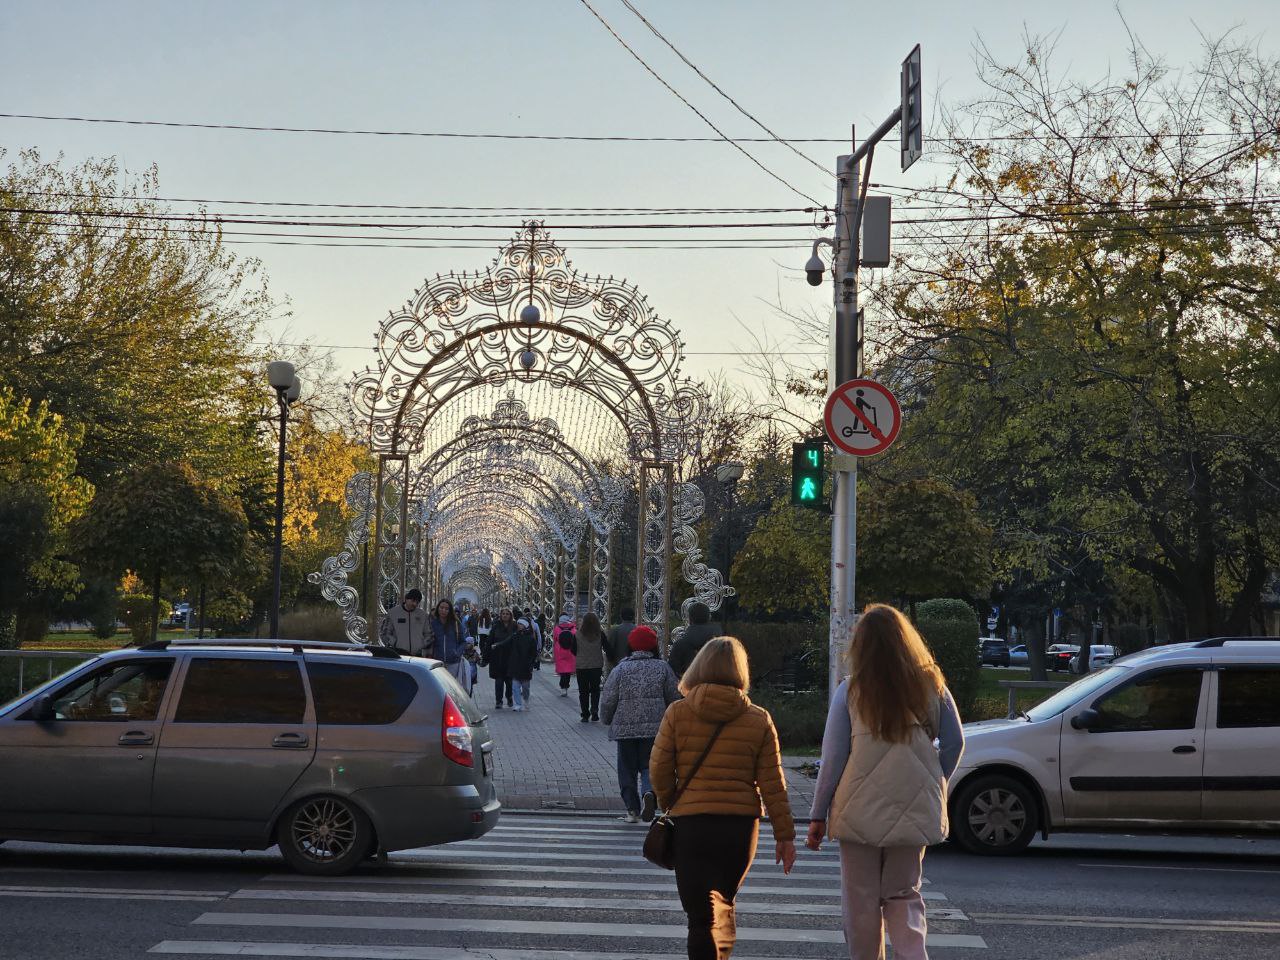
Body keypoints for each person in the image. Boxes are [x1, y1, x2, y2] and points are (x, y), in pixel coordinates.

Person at [806, 604, 965, 960]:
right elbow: (955, 743)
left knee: (860, 900)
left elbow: (833, 759)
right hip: (915, 804)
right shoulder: (931, 684)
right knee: (905, 893)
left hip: (858, 810)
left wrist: (818, 815)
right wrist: (935, 780)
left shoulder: (850, 691)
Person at [650, 636, 797, 960]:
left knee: (699, 919)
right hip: (739, 828)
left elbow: (659, 768)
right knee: (724, 905)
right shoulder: (759, 719)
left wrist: (670, 801)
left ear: (699, 666)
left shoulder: (678, 713)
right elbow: (773, 784)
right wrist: (785, 836)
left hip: (691, 827)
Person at [599, 624, 679, 823]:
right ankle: (648, 793)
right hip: (655, 730)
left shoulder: (621, 669)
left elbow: (609, 698)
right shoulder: (663, 668)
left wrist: (606, 718)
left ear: (630, 646)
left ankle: (632, 811)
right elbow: (674, 697)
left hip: (625, 730)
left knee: (626, 769)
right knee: (649, 766)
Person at [667, 601, 722, 678]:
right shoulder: (723, 645)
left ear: (689, 619)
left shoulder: (680, 645)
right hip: (718, 688)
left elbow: (672, 674)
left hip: (689, 687)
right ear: (709, 617)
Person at [429, 599, 474, 687]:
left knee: (451, 687)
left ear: (450, 611)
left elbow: (463, 641)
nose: (443, 610)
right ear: (438, 608)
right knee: (439, 687)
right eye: (441, 608)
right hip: (437, 661)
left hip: (453, 662)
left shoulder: (456, 623)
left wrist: (457, 653)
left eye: (446, 609)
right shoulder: (433, 624)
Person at [574, 612, 606, 722]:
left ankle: (585, 714)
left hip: (581, 666)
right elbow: (607, 648)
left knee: (583, 691)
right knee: (595, 690)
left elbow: (573, 649)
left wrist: (581, 655)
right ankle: (595, 711)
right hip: (596, 666)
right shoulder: (600, 634)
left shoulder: (577, 634)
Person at [378, 589, 429, 656]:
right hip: (398, 654)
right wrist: (394, 643)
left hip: (417, 655)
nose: (414, 604)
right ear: (407, 599)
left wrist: (422, 646)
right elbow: (385, 632)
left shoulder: (423, 615)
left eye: (417, 602)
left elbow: (428, 634)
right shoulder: (393, 613)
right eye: (413, 601)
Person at [484, 608, 516, 709]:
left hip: (510, 658)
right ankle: (499, 701)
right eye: (503, 614)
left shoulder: (514, 627)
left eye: (507, 614)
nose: (505, 615)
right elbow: (489, 641)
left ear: (510, 616)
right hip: (497, 658)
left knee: (510, 681)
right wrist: (485, 657)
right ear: (501, 615)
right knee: (499, 681)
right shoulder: (496, 626)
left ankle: (509, 696)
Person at [508, 617, 539, 711]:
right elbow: (507, 642)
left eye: (521, 624)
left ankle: (526, 699)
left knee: (525, 687)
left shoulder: (530, 638)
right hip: (516, 665)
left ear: (525, 625)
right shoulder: (515, 635)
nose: (518, 625)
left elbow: (534, 653)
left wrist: (531, 663)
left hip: (526, 666)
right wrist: (497, 645)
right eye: (518, 624)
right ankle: (518, 704)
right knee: (515, 687)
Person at [605, 606, 637, 675]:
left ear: (621, 616)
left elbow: (610, 648)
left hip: (618, 665)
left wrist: (610, 662)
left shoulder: (615, 630)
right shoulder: (638, 630)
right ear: (633, 617)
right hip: (635, 665)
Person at [553, 614, 578, 697]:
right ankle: (566, 686)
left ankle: (562, 687)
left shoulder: (557, 629)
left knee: (562, 672)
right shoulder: (573, 629)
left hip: (560, 651)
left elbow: (555, 639)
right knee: (568, 672)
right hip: (570, 652)